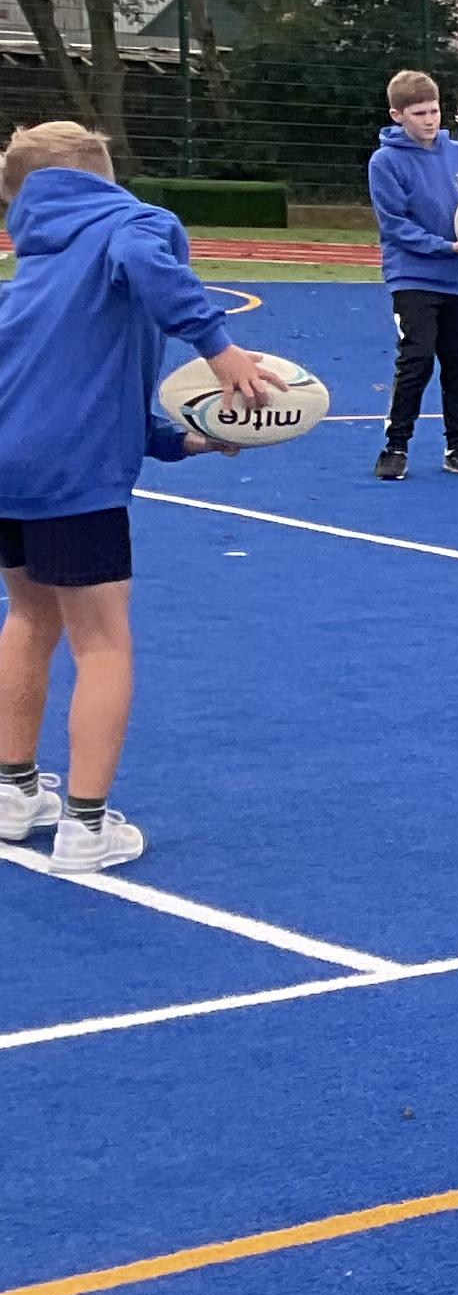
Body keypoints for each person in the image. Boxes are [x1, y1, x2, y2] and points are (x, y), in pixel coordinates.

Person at [0, 123, 278, 873]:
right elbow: (143, 262)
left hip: (9, 462)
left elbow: (65, 379)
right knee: (102, 643)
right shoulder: (133, 223)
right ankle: (85, 828)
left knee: (28, 616)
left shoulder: (37, 262)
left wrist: (177, 439)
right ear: (103, 172)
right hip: (71, 475)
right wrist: (220, 349)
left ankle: (12, 792)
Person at [371, 68, 458, 480]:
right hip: (413, 276)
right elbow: (395, 225)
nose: (430, 120)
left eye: (434, 110)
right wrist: (444, 246)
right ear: (397, 116)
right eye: (419, 113)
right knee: (417, 358)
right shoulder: (385, 161)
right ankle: (395, 446)